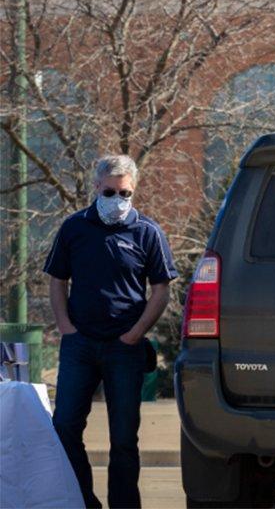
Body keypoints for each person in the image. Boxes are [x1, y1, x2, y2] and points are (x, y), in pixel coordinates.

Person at [45, 154, 178, 509]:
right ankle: (84, 502)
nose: (116, 201)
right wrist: (66, 328)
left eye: (124, 193)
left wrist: (135, 333)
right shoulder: (74, 228)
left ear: (133, 191)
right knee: (65, 427)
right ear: (95, 188)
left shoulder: (147, 231)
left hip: (125, 348)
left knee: (123, 438)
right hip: (80, 345)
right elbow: (57, 279)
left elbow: (161, 288)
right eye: (109, 192)